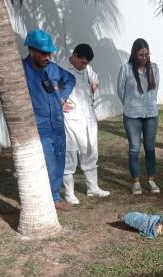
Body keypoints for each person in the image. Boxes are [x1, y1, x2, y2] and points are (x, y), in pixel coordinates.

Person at [21, 29, 76, 211]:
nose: (47, 57)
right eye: (43, 53)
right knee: (49, 163)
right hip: (40, 125)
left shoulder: (52, 69)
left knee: (60, 160)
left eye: (49, 53)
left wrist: (63, 97)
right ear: (32, 51)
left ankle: (55, 197)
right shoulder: (22, 70)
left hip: (58, 123)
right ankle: (46, 198)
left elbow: (70, 79)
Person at [59, 44, 110, 205]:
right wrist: (58, 102)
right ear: (74, 56)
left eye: (86, 63)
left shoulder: (87, 69)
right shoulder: (60, 68)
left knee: (90, 153)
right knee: (70, 156)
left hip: (89, 119)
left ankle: (92, 188)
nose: (84, 66)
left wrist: (93, 86)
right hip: (70, 120)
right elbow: (48, 88)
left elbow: (95, 80)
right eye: (82, 62)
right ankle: (69, 193)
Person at [117, 38, 161, 195]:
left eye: (146, 54)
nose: (144, 57)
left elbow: (155, 90)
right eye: (141, 54)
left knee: (150, 148)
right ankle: (135, 182)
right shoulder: (126, 69)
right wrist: (130, 104)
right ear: (134, 54)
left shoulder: (154, 68)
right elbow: (120, 90)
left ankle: (151, 180)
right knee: (134, 148)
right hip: (132, 115)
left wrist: (148, 103)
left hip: (151, 114)